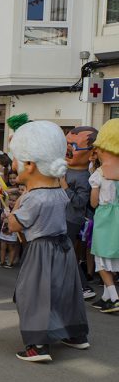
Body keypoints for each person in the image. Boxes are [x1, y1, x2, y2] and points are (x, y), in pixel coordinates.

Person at [8, 120, 89, 362]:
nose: (13, 165)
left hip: (41, 250)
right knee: (65, 292)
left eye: (17, 159)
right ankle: (76, 335)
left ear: (30, 165)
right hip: (63, 248)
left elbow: (15, 225)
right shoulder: (58, 192)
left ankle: (38, 346)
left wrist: (12, 210)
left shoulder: (34, 198)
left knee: (33, 294)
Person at [61, 126, 99, 300]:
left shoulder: (85, 177)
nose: (68, 150)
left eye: (73, 146)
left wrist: (65, 186)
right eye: (66, 144)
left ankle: (83, 287)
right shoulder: (64, 168)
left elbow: (79, 202)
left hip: (71, 219)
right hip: (60, 216)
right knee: (62, 252)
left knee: (66, 253)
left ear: (91, 154)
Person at [88, 118, 119, 313]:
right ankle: (107, 297)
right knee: (113, 255)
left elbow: (93, 202)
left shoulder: (98, 174)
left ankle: (115, 298)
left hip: (105, 217)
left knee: (100, 258)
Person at [0, 191, 20, 269]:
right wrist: (2, 217)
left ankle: (10, 262)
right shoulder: (6, 209)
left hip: (12, 231)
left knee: (11, 247)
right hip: (4, 230)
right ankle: (2, 261)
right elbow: (1, 219)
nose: (11, 202)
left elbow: (18, 220)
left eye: (14, 200)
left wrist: (9, 219)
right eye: (10, 200)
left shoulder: (18, 210)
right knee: (2, 246)